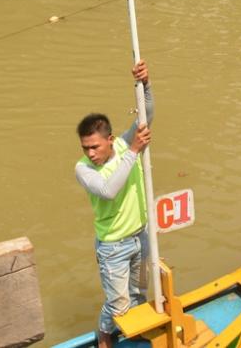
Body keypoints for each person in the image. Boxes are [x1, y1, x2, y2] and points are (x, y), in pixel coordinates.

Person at [75, 60, 154, 348]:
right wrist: (134, 150)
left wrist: (145, 84)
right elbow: (108, 191)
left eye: (95, 146)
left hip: (140, 237)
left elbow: (148, 113)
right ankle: (105, 333)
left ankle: (136, 330)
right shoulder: (83, 170)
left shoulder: (123, 144)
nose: (91, 153)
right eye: (86, 148)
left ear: (109, 140)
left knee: (139, 294)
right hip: (113, 247)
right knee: (118, 303)